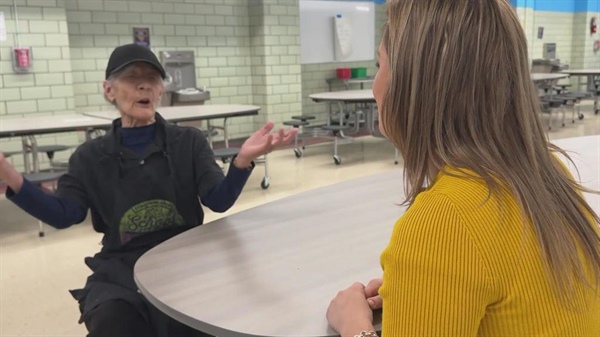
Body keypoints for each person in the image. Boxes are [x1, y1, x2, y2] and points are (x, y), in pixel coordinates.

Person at [326, 0, 600, 336]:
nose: (375, 85)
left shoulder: (445, 219)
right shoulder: (549, 171)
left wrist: (355, 327)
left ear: (416, 85)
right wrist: (431, 282)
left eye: (380, 64)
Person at [0, 44, 297, 337]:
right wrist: (11, 176)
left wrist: (242, 160)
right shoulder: (89, 157)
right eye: (131, 77)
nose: (143, 85)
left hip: (187, 258)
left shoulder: (189, 142)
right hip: (122, 266)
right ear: (109, 90)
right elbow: (64, 214)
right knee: (112, 321)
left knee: (206, 321)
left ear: (159, 91)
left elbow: (218, 201)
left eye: (152, 79)